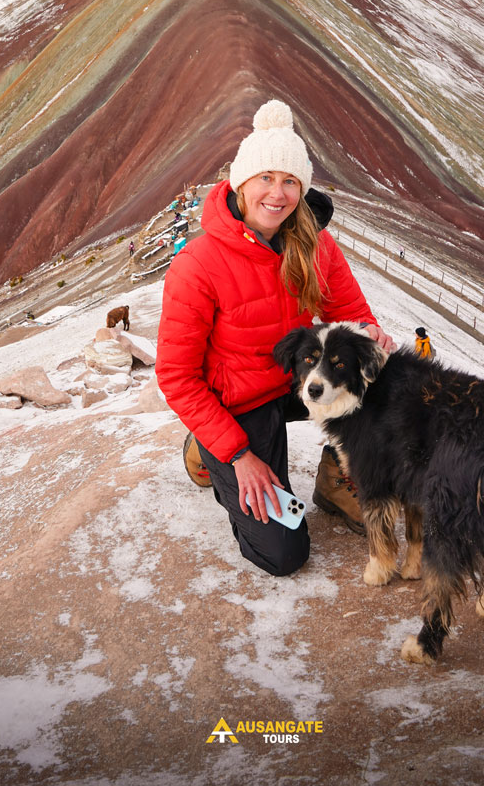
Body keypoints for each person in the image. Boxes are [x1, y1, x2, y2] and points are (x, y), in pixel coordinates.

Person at [156, 100, 394, 577]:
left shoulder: (315, 244)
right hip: (238, 402)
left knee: (384, 378)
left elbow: (350, 315)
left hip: (295, 381)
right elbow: (177, 376)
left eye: (289, 181)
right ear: (241, 182)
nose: (277, 193)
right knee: (283, 554)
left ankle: (339, 478)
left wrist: (369, 335)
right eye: (265, 177)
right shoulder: (197, 265)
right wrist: (238, 455)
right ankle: (208, 446)